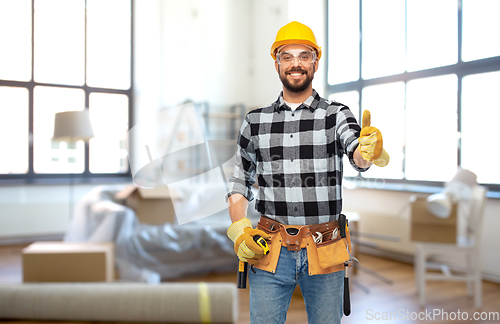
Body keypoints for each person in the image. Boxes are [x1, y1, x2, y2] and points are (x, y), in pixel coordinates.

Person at [225, 21, 389, 324]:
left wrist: (368, 152)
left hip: (325, 249)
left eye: (304, 55)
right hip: (268, 250)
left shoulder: (336, 114)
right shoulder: (255, 121)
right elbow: (240, 181)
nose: (296, 63)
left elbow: (357, 153)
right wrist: (238, 230)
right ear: (276, 63)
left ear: (316, 61)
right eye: (287, 56)